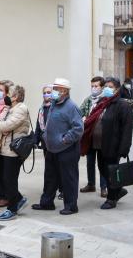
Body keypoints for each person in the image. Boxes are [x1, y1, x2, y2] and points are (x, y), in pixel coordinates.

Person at [32, 78, 83, 215]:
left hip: (67, 149)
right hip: (51, 148)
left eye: (56, 89)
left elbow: (78, 128)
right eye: (53, 88)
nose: (53, 92)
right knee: (50, 177)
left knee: (68, 179)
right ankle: (47, 203)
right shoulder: (54, 104)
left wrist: (65, 139)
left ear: (64, 91)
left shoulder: (71, 107)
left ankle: (71, 206)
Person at [0, 84, 31, 221]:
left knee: (10, 180)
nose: (6, 97)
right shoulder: (11, 108)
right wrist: (0, 124)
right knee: (5, 178)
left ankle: (12, 209)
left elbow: (5, 125)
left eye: (9, 94)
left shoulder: (21, 109)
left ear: (15, 97)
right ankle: (19, 199)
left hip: (13, 151)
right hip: (6, 148)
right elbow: (1, 122)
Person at [90, 77, 133, 210]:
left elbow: (127, 129)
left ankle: (111, 198)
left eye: (110, 86)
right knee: (103, 170)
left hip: (113, 146)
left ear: (117, 89)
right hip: (99, 145)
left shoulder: (123, 105)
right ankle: (118, 191)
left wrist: (124, 149)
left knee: (112, 172)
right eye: (106, 86)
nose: (107, 89)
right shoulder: (103, 102)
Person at [79, 76, 107, 198]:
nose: (94, 88)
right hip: (90, 137)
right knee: (90, 162)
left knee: (102, 163)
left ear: (102, 87)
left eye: (96, 86)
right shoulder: (88, 100)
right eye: (92, 86)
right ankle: (91, 184)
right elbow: (79, 112)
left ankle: (103, 187)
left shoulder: (106, 101)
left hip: (102, 138)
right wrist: (83, 118)